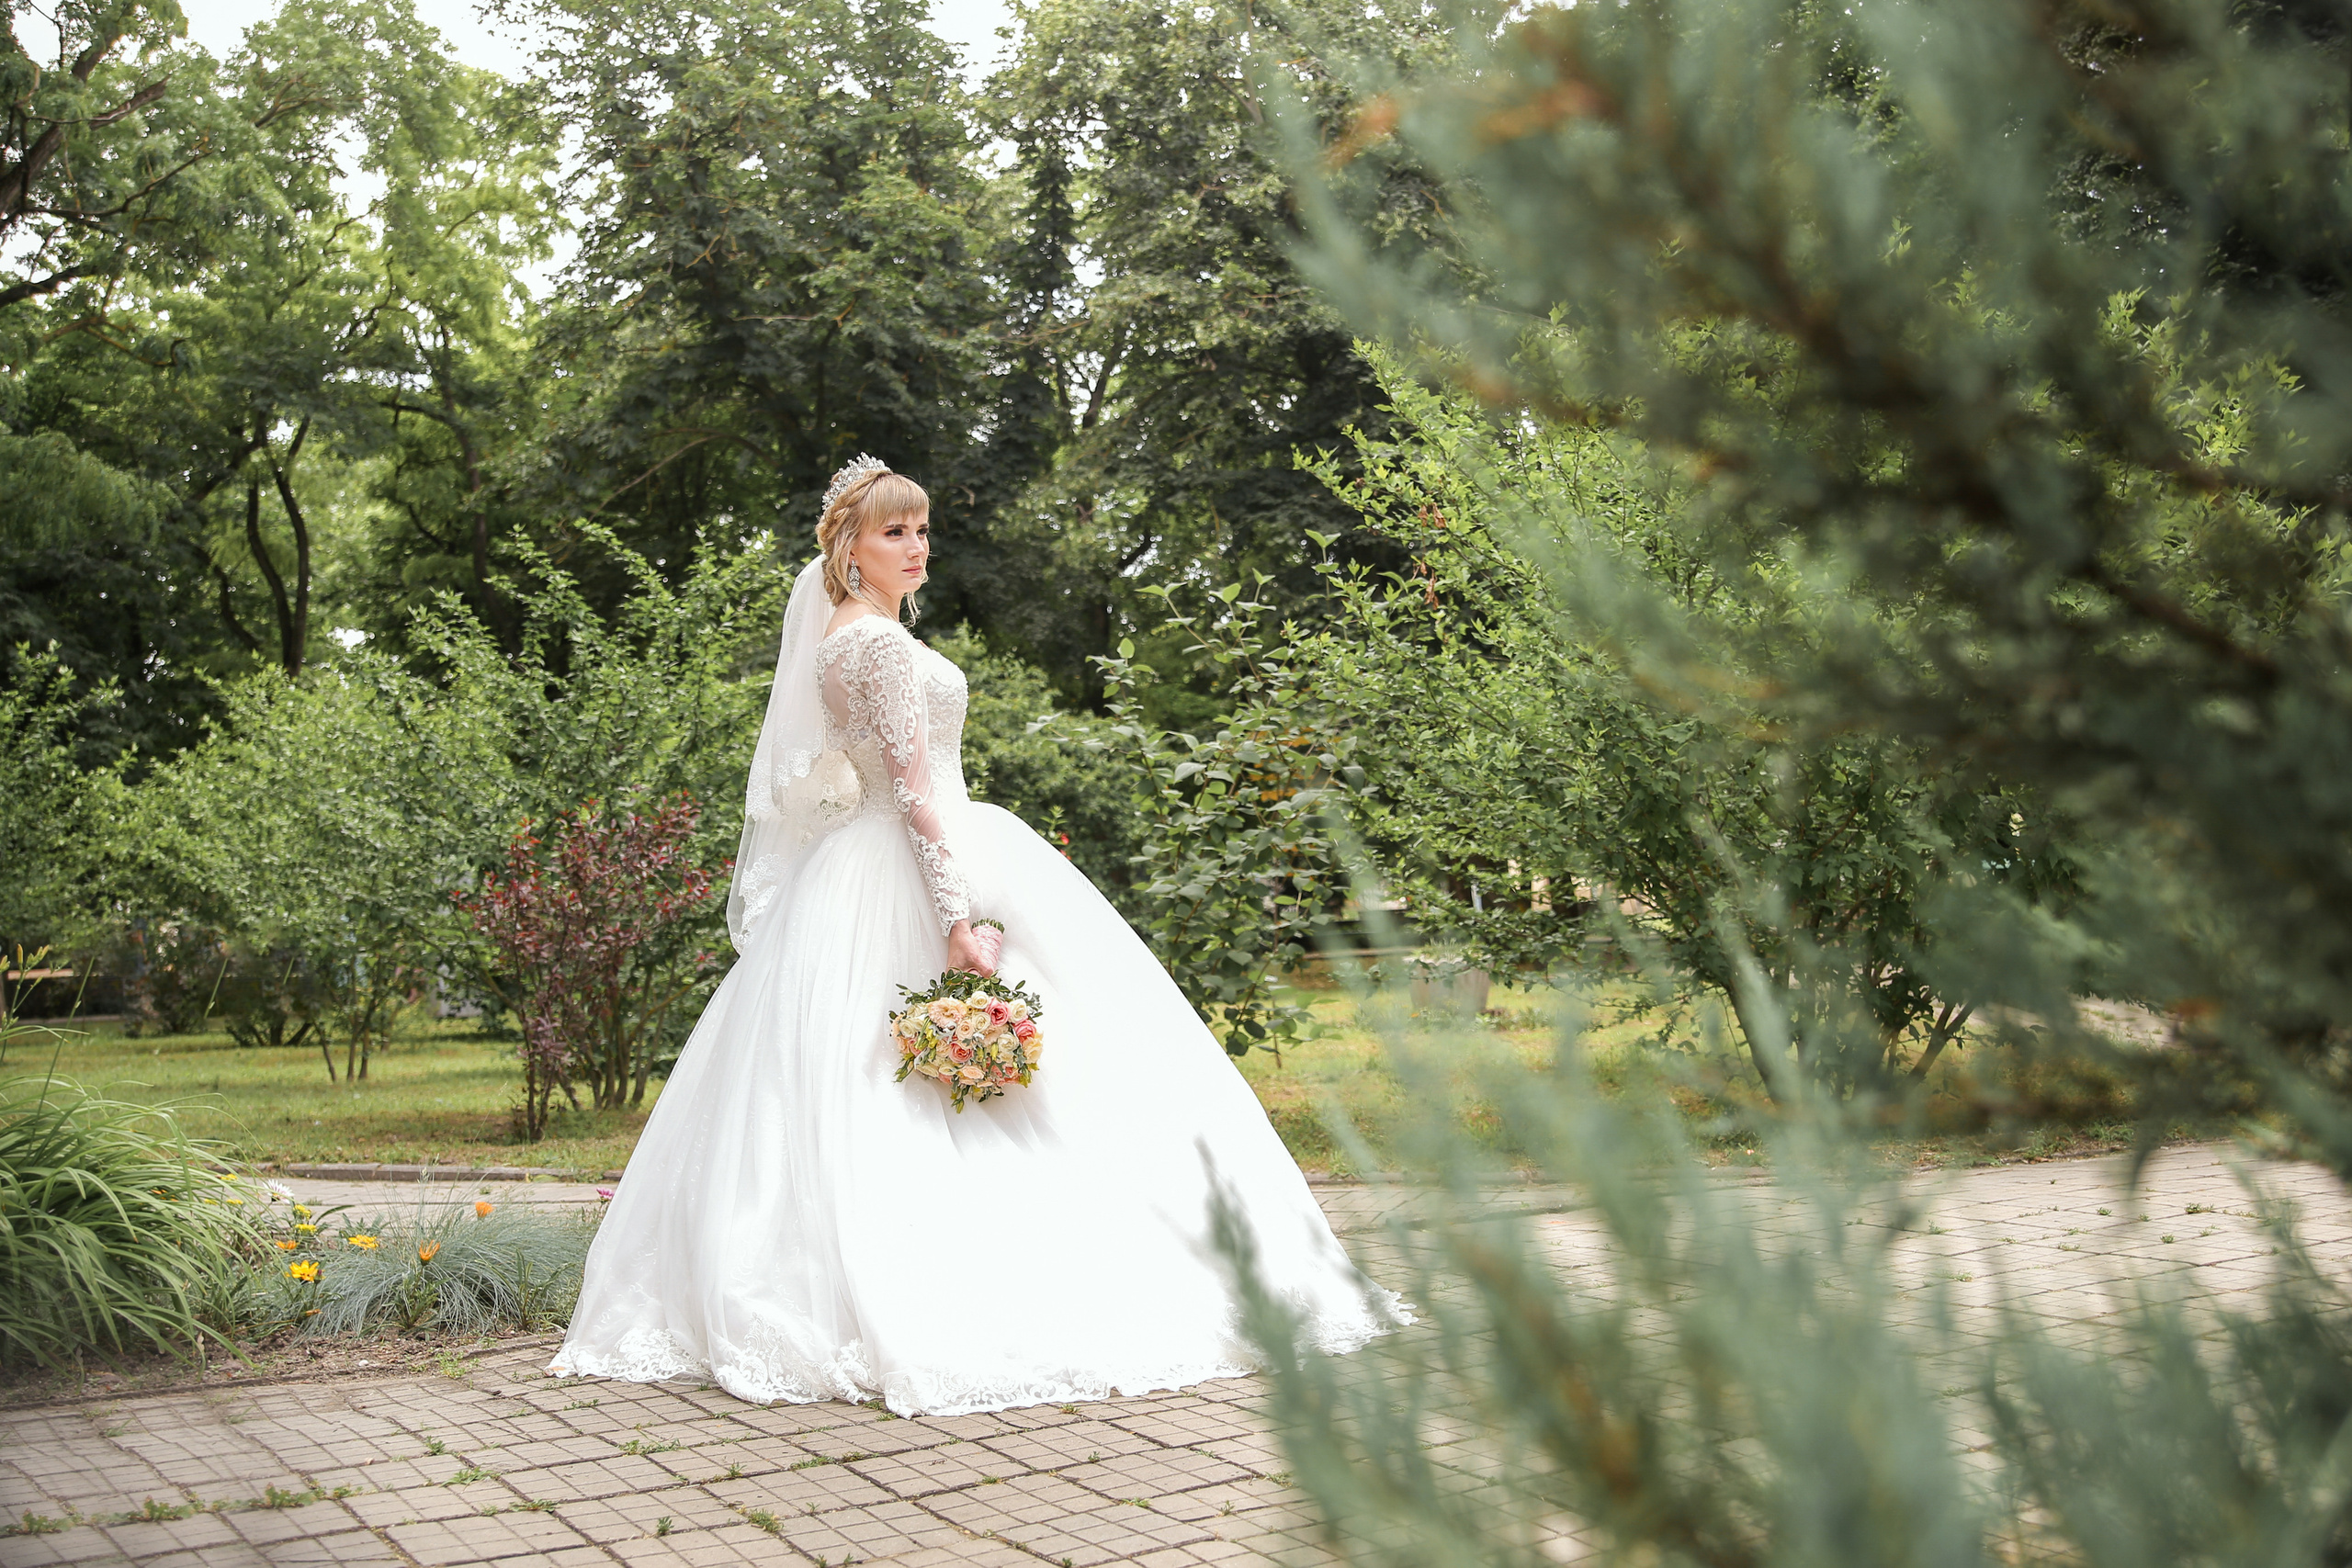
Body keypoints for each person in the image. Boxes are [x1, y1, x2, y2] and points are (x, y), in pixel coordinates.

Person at [551, 457, 1403, 1416]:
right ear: (850, 548)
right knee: (942, 1070)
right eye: (894, 532)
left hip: (870, 862)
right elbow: (916, 791)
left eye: (921, 530)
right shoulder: (875, 645)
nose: (917, 547)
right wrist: (957, 918)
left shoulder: (843, 636)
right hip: (918, 862)